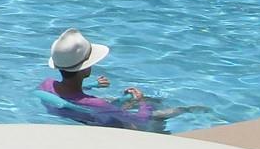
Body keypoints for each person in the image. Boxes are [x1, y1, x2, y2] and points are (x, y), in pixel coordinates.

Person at [37, 28, 176, 130]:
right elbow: (140, 120)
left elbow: (69, 95)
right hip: (114, 127)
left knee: (119, 102)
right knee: (158, 110)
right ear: (85, 68)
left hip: (83, 118)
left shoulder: (46, 85)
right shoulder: (97, 103)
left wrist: (92, 85)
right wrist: (142, 102)